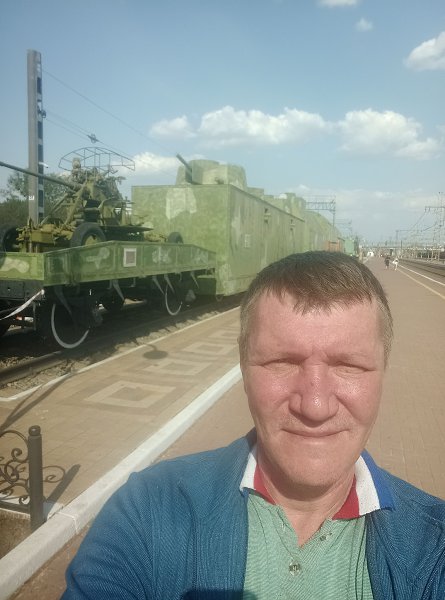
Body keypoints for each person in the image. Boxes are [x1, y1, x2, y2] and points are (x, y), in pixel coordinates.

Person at [62, 251, 445, 599]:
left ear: (382, 376)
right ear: (244, 370)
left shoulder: (436, 544)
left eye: (349, 366)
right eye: (282, 362)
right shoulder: (147, 510)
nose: (315, 406)